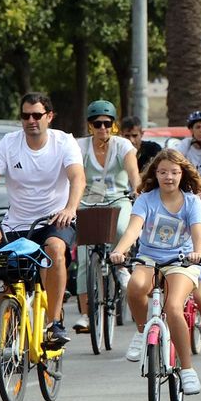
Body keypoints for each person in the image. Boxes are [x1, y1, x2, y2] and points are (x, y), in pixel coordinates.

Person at [0, 93, 86, 349]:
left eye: (37, 115)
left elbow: (77, 178)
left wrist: (70, 208)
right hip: (17, 223)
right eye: (25, 116)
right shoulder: (9, 143)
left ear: (49, 116)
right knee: (5, 275)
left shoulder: (64, 142)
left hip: (55, 219)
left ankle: (54, 322)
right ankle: (10, 325)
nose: (31, 121)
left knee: (55, 250)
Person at [109, 149, 201, 395]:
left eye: (174, 172)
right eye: (163, 172)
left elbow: (198, 233)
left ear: (182, 174)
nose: (169, 177)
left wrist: (197, 252)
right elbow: (133, 230)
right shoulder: (146, 199)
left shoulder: (192, 201)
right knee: (134, 287)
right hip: (149, 258)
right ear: (155, 174)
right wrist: (119, 250)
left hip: (181, 261)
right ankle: (143, 332)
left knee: (174, 307)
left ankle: (187, 370)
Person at [74, 101, 141, 335]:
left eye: (107, 123)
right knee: (83, 258)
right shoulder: (79, 147)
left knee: (123, 228)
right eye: (97, 123)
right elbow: (72, 175)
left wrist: (137, 188)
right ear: (89, 125)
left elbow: (134, 172)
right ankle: (85, 314)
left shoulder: (123, 145)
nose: (102, 128)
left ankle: (120, 263)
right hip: (86, 202)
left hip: (117, 200)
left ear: (113, 125)